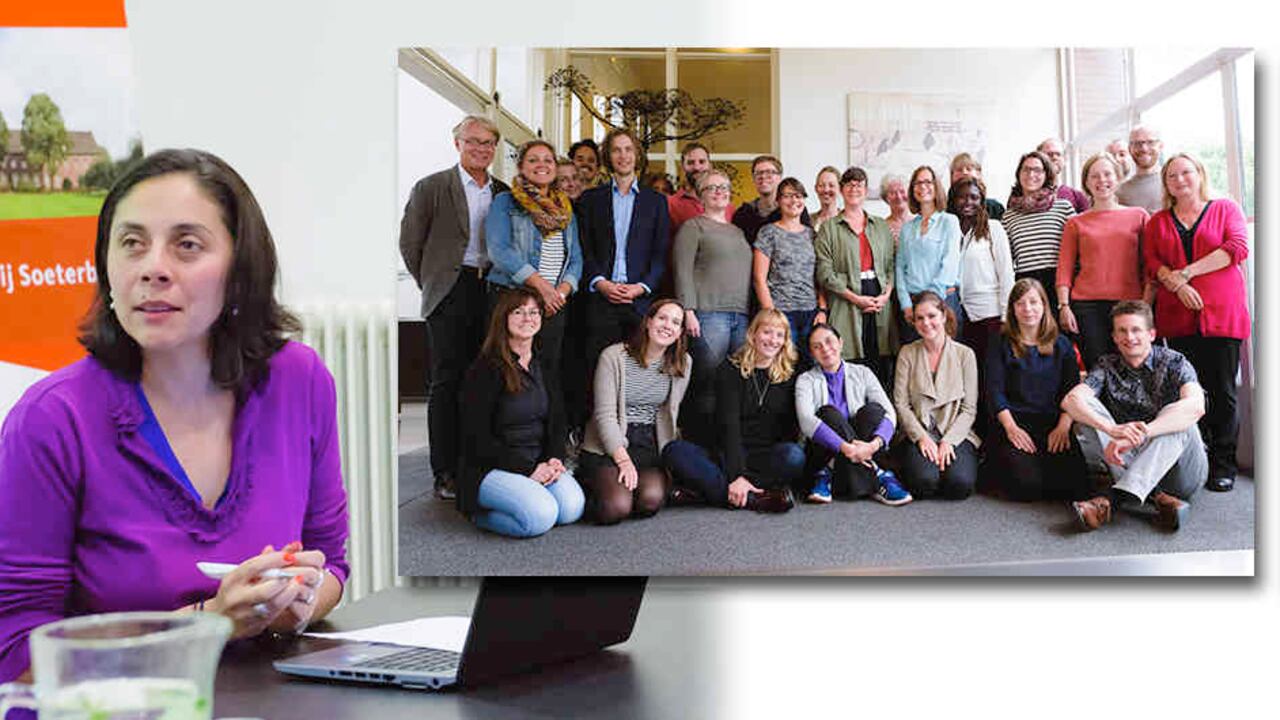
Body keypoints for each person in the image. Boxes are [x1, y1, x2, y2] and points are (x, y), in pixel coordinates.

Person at [0, 149, 348, 683]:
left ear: (240, 268)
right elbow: (16, 654)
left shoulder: (300, 381)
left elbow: (332, 563)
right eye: (132, 244)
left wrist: (297, 603)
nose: (153, 268)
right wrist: (206, 625)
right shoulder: (52, 419)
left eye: (186, 245)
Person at [399, 115, 510, 500]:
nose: (481, 149)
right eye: (473, 141)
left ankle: (477, 461)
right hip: (450, 288)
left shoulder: (504, 192)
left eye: (488, 143)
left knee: (485, 378)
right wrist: (433, 282)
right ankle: (444, 470)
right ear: (457, 143)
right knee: (446, 381)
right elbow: (411, 244)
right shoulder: (431, 187)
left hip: (492, 288)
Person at [1144, 153, 1250, 493]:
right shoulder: (1158, 221)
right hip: (1176, 319)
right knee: (1186, 392)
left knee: (1222, 392)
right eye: (1172, 176)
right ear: (1166, 184)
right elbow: (1152, 261)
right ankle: (1196, 459)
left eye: (1186, 173)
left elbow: (1236, 247)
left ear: (1199, 174)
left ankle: (1224, 465)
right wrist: (1177, 285)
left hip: (1221, 314)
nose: (1180, 180)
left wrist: (1187, 273)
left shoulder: (1224, 209)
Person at [1062, 301, 1207, 531]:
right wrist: (1112, 430)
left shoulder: (1175, 361)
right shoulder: (1106, 365)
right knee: (1086, 407)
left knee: (1179, 415)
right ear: (1114, 337)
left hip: (1180, 473)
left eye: (1136, 330)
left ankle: (1112, 500)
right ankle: (1159, 498)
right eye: (1122, 331)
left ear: (1151, 334)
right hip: (1127, 460)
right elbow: (1070, 400)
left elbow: (1196, 407)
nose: (1129, 337)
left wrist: (1142, 433)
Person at [456, 288, 585, 537]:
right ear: (503, 318)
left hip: (537, 462)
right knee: (541, 517)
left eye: (534, 312)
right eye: (518, 311)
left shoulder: (543, 364)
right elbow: (476, 439)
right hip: (492, 468)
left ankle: (527, 498)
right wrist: (528, 470)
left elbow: (557, 422)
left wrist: (554, 459)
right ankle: (477, 514)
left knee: (571, 509)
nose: (528, 318)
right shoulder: (485, 368)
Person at [663, 309, 805, 513]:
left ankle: (710, 493)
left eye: (779, 335)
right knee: (674, 451)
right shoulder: (730, 369)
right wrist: (737, 475)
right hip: (726, 454)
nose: (772, 340)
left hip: (765, 460)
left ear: (785, 341)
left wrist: (746, 478)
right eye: (767, 332)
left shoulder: (791, 375)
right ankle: (756, 499)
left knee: (794, 456)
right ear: (753, 333)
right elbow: (729, 427)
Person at [575, 128, 671, 423]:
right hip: (601, 298)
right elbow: (584, 249)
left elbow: (660, 252)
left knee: (639, 371)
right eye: (616, 150)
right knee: (596, 369)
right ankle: (593, 435)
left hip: (639, 301)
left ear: (637, 156)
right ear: (608, 156)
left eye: (628, 149)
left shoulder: (655, 202)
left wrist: (641, 287)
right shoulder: (591, 200)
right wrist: (600, 282)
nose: (623, 155)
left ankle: (632, 433)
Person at [579, 298, 692, 523]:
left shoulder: (683, 363)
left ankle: (625, 487)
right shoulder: (614, 356)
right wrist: (622, 460)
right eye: (662, 318)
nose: (667, 325)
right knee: (616, 508)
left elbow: (671, 413)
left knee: (650, 501)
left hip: (648, 443)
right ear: (648, 322)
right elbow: (605, 415)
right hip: (610, 443)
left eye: (675, 322)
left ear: (680, 333)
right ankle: (588, 486)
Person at [485, 139, 583, 384]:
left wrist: (559, 293)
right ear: (521, 167)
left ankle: (548, 424)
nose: (542, 165)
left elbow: (576, 259)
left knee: (549, 373)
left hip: (553, 304)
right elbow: (499, 251)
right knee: (508, 371)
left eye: (548, 160)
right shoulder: (505, 202)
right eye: (533, 160)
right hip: (512, 297)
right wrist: (542, 287)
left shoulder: (565, 208)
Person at [985, 279, 1089, 501]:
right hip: (1015, 423)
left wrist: (1063, 427)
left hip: (1053, 424)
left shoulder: (1062, 344)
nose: (1028, 309)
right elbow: (994, 391)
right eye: (1021, 303)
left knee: (1079, 486)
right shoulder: (1000, 342)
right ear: (1012, 308)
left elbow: (1071, 391)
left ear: (1044, 305)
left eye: (1034, 302)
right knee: (1028, 487)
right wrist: (1011, 429)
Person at [673, 168, 753, 443]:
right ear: (700, 196)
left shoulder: (738, 231)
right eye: (712, 188)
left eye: (724, 187)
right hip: (708, 315)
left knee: (733, 384)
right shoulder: (693, 227)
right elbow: (682, 270)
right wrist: (688, 311)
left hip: (740, 316)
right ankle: (699, 443)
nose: (719, 192)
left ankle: (726, 446)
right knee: (707, 383)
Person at [795, 323, 910, 505]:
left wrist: (872, 446)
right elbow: (806, 421)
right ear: (812, 353)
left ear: (840, 342)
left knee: (873, 411)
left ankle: (829, 475)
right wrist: (848, 449)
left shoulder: (863, 372)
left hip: (866, 446)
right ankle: (879, 476)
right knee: (827, 414)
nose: (825, 349)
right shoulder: (805, 380)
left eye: (829, 341)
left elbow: (889, 413)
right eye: (817, 346)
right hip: (823, 451)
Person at [1056, 153, 1149, 369]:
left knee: (1133, 368)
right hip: (1087, 308)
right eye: (1094, 176)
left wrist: (1146, 303)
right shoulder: (1075, 222)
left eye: (1107, 174)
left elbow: (1148, 266)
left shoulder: (1139, 216)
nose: (1101, 181)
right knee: (1098, 370)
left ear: (1117, 178)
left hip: (1130, 304)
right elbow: (1065, 268)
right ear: (1086, 183)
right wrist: (1064, 306)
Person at [893, 291, 981, 500]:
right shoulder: (907, 353)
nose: (926, 323)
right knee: (924, 483)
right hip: (920, 431)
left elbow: (969, 409)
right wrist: (922, 438)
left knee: (960, 485)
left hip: (955, 432)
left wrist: (949, 442)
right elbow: (901, 404)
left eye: (931, 316)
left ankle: (952, 466)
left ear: (943, 316)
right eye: (920, 318)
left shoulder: (965, 354)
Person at [814, 166, 897, 385]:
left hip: (880, 300)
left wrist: (886, 295)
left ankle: (881, 415)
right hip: (847, 300)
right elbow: (824, 273)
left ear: (866, 190)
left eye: (859, 184)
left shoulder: (880, 225)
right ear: (841, 189)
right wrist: (856, 299)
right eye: (849, 184)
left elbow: (890, 265)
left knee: (880, 358)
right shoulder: (829, 228)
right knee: (851, 361)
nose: (854, 188)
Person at [753, 176, 824, 368]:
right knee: (783, 366)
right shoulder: (768, 233)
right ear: (778, 201)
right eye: (788, 196)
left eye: (799, 196)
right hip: (781, 311)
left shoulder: (812, 234)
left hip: (810, 312)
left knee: (810, 366)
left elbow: (819, 276)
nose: (794, 201)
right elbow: (759, 278)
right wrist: (771, 314)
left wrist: (822, 309)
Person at [1002, 150, 1076, 318]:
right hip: (1026, 282)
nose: (1031, 174)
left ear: (1047, 175)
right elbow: (1009, 258)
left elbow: (1076, 250)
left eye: (1037, 170)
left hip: (1058, 282)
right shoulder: (1009, 215)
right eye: (1026, 170)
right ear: (1019, 174)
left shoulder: (1063, 207)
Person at [948, 176, 1014, 360]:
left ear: (982, 201)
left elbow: (1006, 274)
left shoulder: (994, 228)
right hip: (957, 316)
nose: (968, 202)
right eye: (962, 197)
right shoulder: (948, 231)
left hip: (989, 316)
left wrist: (1005, 316)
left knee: (988, 376)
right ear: (953, 200)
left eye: (974, 197)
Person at [895, 165, 962, 343]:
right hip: (912, 303)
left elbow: (950, 263)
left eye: (927, 182)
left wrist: (930, 303)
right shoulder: (907, 228)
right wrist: (906, 303)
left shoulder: (949, 221)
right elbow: (900, 268)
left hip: (942, 300)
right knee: (915, 362)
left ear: (936, 186)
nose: (922, 186)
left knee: (945, 361)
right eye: (917, 183)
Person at [732, 154, 811, 245]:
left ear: (780, 177)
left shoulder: (795, 209)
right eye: (758, 173)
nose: (763, 176)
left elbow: (807, 243)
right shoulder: (742, 214)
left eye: (770, 172)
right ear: (753, 179)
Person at [1116, 126, 1164, 212]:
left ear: (1161, 146)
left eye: (1150, 142)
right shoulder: (1121, 191)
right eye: (1137, 143)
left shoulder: (1173, 184)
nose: (1144, 148)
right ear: (1130, 149)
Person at [1036, 137, 1090, 213]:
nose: (1054, 158)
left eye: (1058, 154)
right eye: (1049, 154)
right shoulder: (1026, 195)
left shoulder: (1077, 197)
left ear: (1064, 160)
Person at [950, 152, 1005, 221]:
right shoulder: (944, 209)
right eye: (959, 170)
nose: (964, 172)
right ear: (952, 176)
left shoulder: (995, 208)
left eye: (968, 169)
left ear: (978, 174)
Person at [879, 174, 912, 247]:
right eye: (892, 193)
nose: (899, 197)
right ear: (886, 198)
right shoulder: (882, 228)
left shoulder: (920, 223)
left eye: (902, 191)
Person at [811, 165, 842, 231]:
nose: (826, 190)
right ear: (816, 188)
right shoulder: (807, 220)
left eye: (831, 185)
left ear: (840, 189)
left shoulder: (847, 221)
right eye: (821, 185)